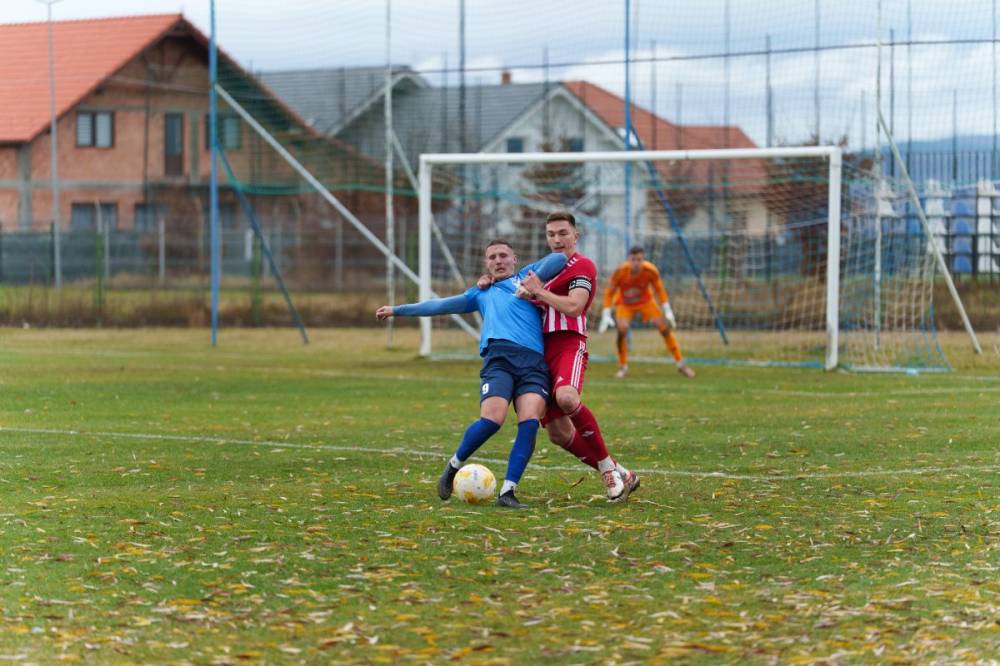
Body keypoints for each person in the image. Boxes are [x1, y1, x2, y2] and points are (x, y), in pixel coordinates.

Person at [375, 239, 566, 509]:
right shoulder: (481, 293)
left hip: (533, 363)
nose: (498, 261)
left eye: (503, 256)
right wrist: (398, 310)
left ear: (515, 259)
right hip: (499, 358)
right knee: (492, 419)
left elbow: (558, 260)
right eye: (492, 257)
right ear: (486, 264)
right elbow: (439, 305)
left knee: (530, 421)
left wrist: (530, 284)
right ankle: (453, 466)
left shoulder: (527, 277)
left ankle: (507, 492)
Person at [516, 212, 640, 502]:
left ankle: (607, 470)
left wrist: (540, 293)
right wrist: (488, 282)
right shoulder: (542, 269)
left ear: (576, 235)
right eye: (551, 234)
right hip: (538, 351)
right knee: (558, 434)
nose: (557, 240)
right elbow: (511, 287)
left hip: (568, 343)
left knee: (568, 398)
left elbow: (574, 307)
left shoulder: (582, 265)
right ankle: (620, 472)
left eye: (562, 233)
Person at [599, 245, 696, 380]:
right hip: (625, 304)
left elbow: (659, 290)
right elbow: (609, 292)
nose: (636, 263)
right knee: (622, 329)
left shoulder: (650, 271)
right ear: (629, 259)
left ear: (643, 259)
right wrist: (606, 313)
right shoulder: (620, 272)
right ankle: (623, 367)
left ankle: (681, 364)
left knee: (663, 328)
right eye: (633, 259)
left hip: (646, 302)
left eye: (639, 260)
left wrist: (667, 310)